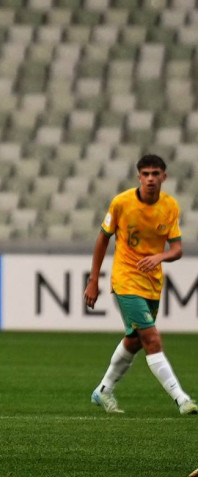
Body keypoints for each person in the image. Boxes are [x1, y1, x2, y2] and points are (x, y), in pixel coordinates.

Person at [84, 154, 197, 415]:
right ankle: (182, 399)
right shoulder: (121, 203)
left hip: (152, 282)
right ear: (139, 177)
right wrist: (93, 280)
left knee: (134, 340)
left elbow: (177, 249)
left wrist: (161, 256)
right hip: (125, 278)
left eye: (155, 174)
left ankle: (102, 391)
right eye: (145, 174)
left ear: (163, 177)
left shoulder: (169, 207)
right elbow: (102, 239)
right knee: (151, 338)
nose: (150, 179)